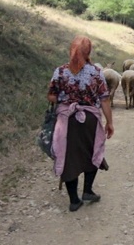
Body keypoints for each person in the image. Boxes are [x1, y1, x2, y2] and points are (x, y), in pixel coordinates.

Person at [47, 35, 115, 212]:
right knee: (93, 151)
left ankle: (74, 200)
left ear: (71, 50)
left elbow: (52, 96)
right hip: (89, 120)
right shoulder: (96, 72)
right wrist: (109, 122)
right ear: (88, 52)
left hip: (66, 121)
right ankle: (87, 191)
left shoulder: (60, 72)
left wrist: (64, 96)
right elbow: (105, 99)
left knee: (69, 158)